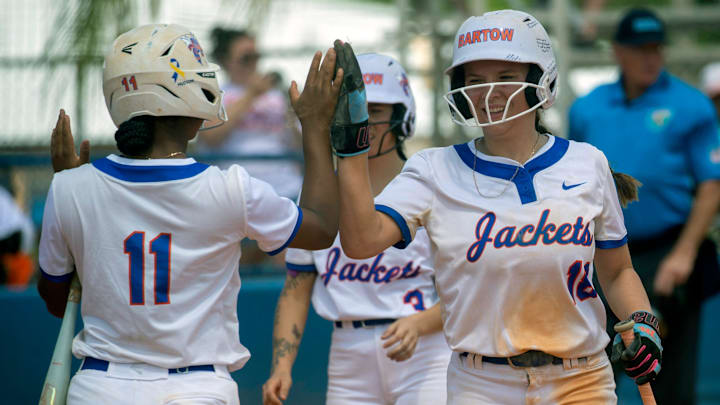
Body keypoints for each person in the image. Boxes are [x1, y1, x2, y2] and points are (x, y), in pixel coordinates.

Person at [330, 10, 662, 404]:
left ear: (540, 80)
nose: (489, 92)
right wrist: (351, 147)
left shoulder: (587, 163)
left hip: (582, 379)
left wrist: (644, 322)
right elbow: (360, 241)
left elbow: (618, 270)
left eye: (505, 77)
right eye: (475, 80)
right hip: (480, 384)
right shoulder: (433, 169)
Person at [37, 23, 344, 404]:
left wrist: (72, 185)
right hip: (197, 388)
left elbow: (55, 297)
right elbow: (322, 228)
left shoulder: (68, 187)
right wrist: (315, 125)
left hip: (100, 385)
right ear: (190, 106)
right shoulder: (230, 188)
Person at [262, 54, 450, 405]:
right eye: (352, 111)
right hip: (349, 350)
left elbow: (467, 289)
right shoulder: (321, 200)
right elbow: (298, 284)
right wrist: (282, 366)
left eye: (375, 111)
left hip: (424, 349)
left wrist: (421, 323)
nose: (362, 122)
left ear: (401, 117)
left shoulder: (429, 187)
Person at [569, 8, 720, 404]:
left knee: (665, 377)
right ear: (618, 51)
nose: (650, 58)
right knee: (588, 373)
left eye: (656, 48)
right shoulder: (588, 108)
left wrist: (685, 253)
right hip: (602, 255)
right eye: (639, 49)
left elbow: (711, 185)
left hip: (667, 255)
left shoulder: (692, 106)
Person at [198, 28, 304, 267]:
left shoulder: (278, 96)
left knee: (290, 267)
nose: (254, 63)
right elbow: (212, 136)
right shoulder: (215, 96)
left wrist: (295, 117)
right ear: (226, 60)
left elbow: (299, 146)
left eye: (257, 56)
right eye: (246, 58)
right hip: (238, 195)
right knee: (239, 267)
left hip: (283, 191)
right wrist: (251, 95)